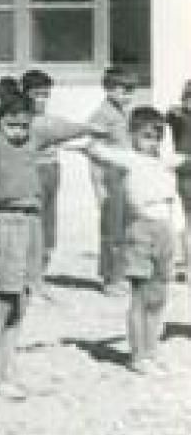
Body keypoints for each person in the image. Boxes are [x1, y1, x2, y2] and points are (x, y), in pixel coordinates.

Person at [0, 94, 91, 398]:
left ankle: (8, 364)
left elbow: (61, 128)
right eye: (11, 124)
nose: (17, 131)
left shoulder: (34, 138)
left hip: (32, 222)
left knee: (22, 300)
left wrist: (91, 129)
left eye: (23, 125)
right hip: (6, 222)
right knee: (2, 301)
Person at [76, 107, 191, 375]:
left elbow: (187, 160)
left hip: (165, 232)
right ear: (133, 135)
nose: (152, 142)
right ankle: (138, 355)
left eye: (157, 137)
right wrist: (88, 136)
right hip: (140, 231)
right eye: (146, 136)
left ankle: (152, 350)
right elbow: (93, 149)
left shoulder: (165, 160)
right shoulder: (128, 159)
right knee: (140, 297)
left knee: (159, 297)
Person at [88, 66, 139, 296]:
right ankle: (109, 278)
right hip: (110, 176)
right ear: (108, 89)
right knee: (112, 229)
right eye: (123, 90)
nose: (127, 95)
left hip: (127, 175)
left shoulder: (126, 113)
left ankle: (122, 274)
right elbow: (94, 152)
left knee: (127, 228)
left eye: (131, 90)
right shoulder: (101, 115)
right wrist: (98, 186)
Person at [21, 69, 64, 294]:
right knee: (32, 221)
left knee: (49, 220)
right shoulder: (20, 119)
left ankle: (41, 274)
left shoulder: (50, 119)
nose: (41, 100)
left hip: (52, 170)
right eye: (37, 94)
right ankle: (30, 276)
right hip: (31, 171)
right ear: (25, 94)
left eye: (46, 95)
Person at [167, 80, 191, 280]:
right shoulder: (178, 117)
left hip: (184, 169)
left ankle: (188, 264)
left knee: (188, 220)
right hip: (185, 171)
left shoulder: (178, 116)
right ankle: (189, 264)